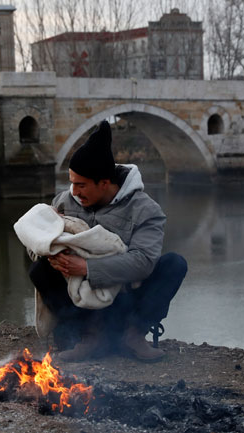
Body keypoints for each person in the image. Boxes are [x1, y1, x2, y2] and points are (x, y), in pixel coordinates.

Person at [27, 120, 187, 362]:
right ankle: (88, 335)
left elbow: (143, 262)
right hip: (79, 299)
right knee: (38, 268)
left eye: (81, 185)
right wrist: (49, 245)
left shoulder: (145, 209)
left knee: (175, 264)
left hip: (124, 298)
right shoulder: (64, 201)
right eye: (71, 182)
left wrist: (88, 268)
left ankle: (133, 335)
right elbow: (34, 244)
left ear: (104, 183)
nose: (74, 191)